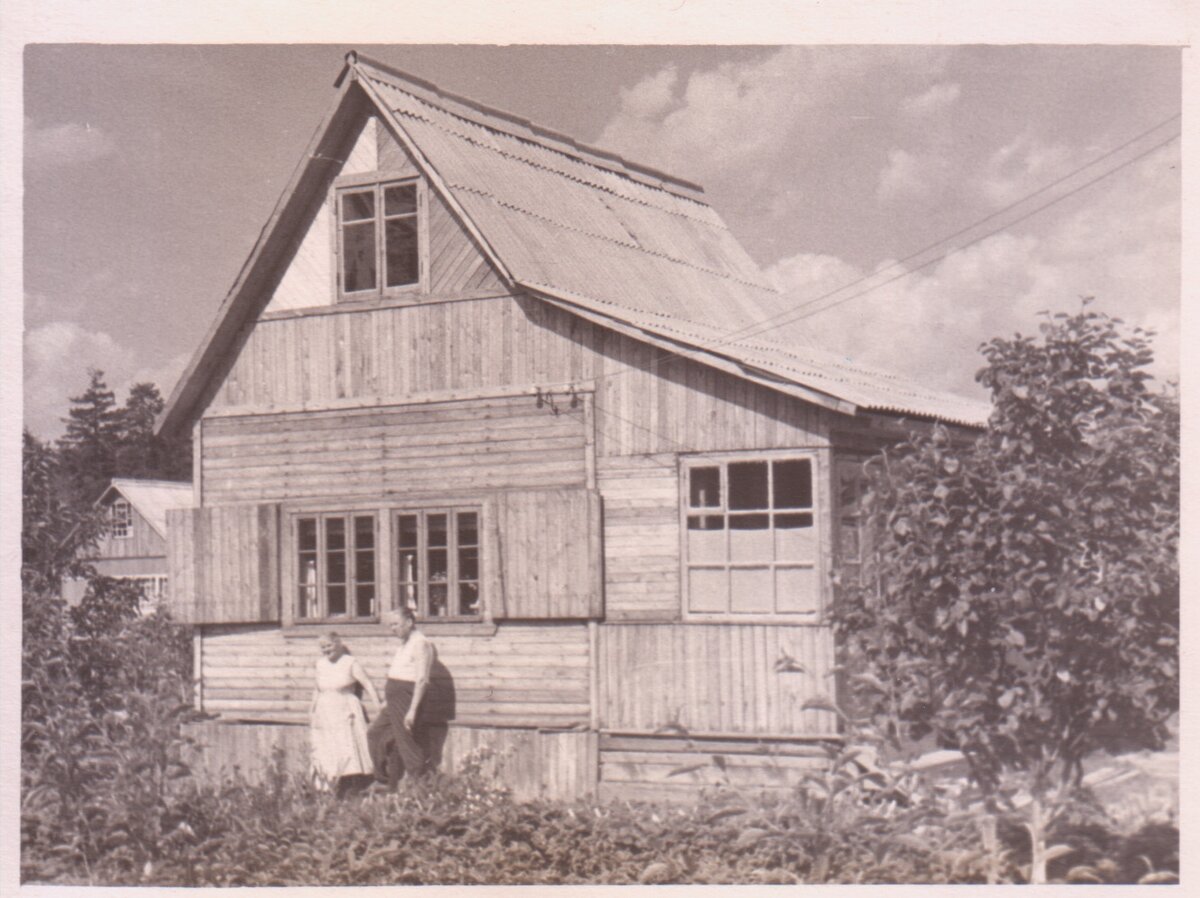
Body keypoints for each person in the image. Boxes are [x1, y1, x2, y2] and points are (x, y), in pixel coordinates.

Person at [368, 606, 434, 787]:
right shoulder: (405, 643)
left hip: (407, 698)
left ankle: (419, 786)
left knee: (406, 742)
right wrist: (388, 700)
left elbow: (421, 679)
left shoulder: (420, 643)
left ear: (410, 622)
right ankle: (387, 780)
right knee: (375, 734)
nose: (393, 629)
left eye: (396, 624)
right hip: (395, 700)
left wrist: (412, 710)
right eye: (391, 625)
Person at [310, 632, 381, 796]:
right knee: (327, 746)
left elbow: (367, 683)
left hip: (345, 707)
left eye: (329, 645)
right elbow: (317, 689)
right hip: (325, 709)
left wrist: (378, 704)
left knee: (346, 745)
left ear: (339, 644)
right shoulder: (320, 664)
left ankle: (351, 785)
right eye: (323, 647)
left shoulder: (350, 662)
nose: (326, 650)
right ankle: (329, 786)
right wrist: (312, 711)